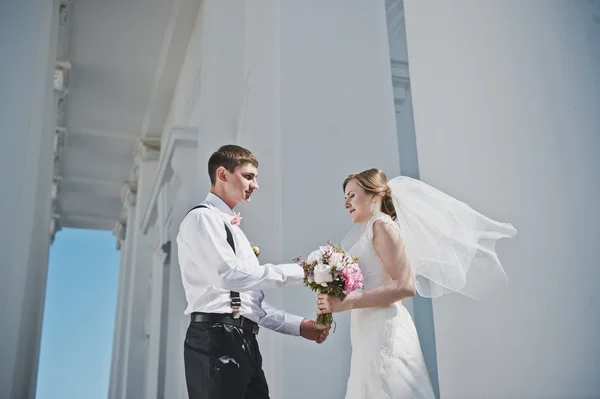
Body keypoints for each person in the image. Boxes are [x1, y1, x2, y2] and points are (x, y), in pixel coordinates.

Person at [317, 168, 517, 399]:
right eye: (345, 198)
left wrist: (347, 302)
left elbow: (405, 286)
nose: (346, 203)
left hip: (384, 328)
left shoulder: (381, 226)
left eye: (351, 195)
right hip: (366, 331)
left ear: (374, 195)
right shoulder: (371, 231)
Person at [177, 144, 329, 399]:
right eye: (248, 176)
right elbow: (227, 275)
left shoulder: (233, 228)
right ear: (223, 174)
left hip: (244, 340)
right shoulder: (202, 218)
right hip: (215, 338)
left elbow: (250, 303)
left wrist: (299, 326)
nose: (255, 185)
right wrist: (304, 272)